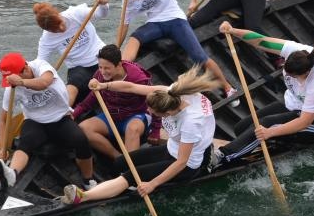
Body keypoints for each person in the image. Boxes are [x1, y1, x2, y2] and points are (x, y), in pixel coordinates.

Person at [60, 66, 220, 205]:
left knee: (131, 175)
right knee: (120, 162)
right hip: (172, 149)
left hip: (187, 165)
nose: (149, 113)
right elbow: (131, 88)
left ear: (169, 113)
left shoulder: (191, 122)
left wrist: (152, 184)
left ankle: (83, 197)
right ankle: (117, 187)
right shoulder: (170, 93)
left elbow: (181, 162)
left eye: (155, 113)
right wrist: (103, 85)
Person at [209, 22, 314, 169]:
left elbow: (303, 122)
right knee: (241, 128)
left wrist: (270, 132)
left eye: (294, 76)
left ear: (306, 73)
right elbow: (261, 41)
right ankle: (276, 141)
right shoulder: (296, 51)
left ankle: (221, 157)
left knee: (264, 125)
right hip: (293, 104)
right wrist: (233, 30)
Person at [112, 0, 238, 106]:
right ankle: (121, 72)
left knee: (199, 56)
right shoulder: (127, 0)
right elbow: (124, 25)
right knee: (134, 38)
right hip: (155, 23)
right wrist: (116, 48)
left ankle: (228, 88)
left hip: (175, 20)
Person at [0, 52, 95, 191]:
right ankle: (12, 174)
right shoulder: (12, 89)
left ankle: (88, 181)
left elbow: (44, 83)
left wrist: (22, 82)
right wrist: (2, 148)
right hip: (35, 121)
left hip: (60, 117)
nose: (10, 83)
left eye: (13, 78)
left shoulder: (41, 66)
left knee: (81, 140)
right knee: (26, 142)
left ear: (26, 69)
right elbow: (3, 120)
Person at [71, 44, 153, 159]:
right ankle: (119, 158)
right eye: (100, 67)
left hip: (135, 116)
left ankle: (130, 169)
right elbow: (90, 100)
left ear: (119, 64)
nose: (103, 72)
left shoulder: (138, 77)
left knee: (132, 129)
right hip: (111, 116)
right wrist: (74, 114)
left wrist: (156, 131)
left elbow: (154, 102)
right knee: (84, 128)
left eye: (107, 68)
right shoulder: (99, 76)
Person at [34, 0, 109, 106]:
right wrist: (37, 81)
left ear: (58, 14)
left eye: (60, 23)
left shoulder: (76, 13)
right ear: (48, 30)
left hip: (101, 57)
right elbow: (40, 63)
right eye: (55, 30)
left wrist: (104, 4)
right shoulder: (46, 39)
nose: (61, 29)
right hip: (79, 68)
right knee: (73, 85)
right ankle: (63, 115)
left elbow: (101, 14)